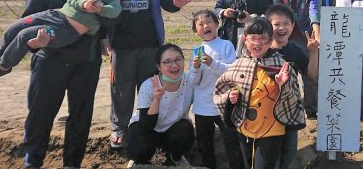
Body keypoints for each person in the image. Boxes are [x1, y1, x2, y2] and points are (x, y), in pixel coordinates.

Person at [9, 0, 102, 168]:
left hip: (86, 61)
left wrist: (105, 39)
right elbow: (27, 23)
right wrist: (33, 43)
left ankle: (72, 163)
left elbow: (106, 18)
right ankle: (33, 161)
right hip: (49, 60)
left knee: (80, 117)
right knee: (40, 115)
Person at [108, 0, 192, 148]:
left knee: (149, 89)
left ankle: (149, 126)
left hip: (150, 45)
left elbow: (167, 5)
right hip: (122, 45)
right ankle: (119, 128)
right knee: (122, 89)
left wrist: (177, 5)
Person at [214, 17, 306, 169]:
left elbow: (294, 99)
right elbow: (222, 88)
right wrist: (231, 96)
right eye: (253, 38)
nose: (257, 43)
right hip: (245, 127)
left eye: (262, 38)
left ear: (270, 41)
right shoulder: (239, 64)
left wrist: (283, 85)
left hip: (272, 129)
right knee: (248, 164)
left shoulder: (281, 66)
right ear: (245, 40)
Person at [189, 10, 244, 169]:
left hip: (223, 103)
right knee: (204, 144)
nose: (205, 26)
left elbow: (231, 72)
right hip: (202, 106)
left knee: (231, 141)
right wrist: (195, 68)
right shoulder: (197, 50)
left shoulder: (226, 45)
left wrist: (212, 63)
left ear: (217, 24)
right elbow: (194, 81)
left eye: (209, 22)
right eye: (200, 24)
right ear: (195, 31)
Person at [266, 4, 318, 168]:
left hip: (290, 110)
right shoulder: (262, 51)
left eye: (286, 23)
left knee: (288, 154)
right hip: (267, 112)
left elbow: (311, 74)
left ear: (293, 26)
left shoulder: (295, 50)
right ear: (268, 26)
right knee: (270, 155)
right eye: (276, 24)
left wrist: (313, 52)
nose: (281, 28)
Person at [127, 44, 194, 167]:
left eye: (178, 59)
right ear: (159, 67)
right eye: (167, 62)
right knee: (140, 146)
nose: (174, 65)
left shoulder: (190, 81)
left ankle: (175, 157)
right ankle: (139, 161)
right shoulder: (148, 86)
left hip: (172, 129)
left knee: (186, 130)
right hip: (148, 128)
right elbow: (144, 127)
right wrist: (157, 99)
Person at [273, 0, 321, 119]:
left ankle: (311, 110)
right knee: (284, 72)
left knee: (310, 74)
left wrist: (318, 36)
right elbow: (276, 11)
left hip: (306, 35)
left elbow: (315, 13)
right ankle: (285, 106)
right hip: (284, 35)